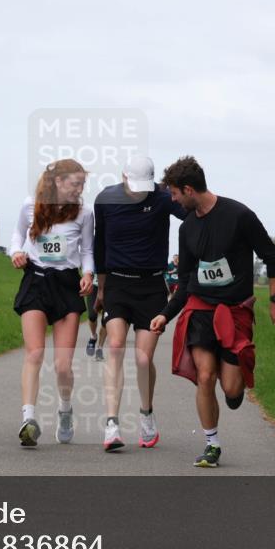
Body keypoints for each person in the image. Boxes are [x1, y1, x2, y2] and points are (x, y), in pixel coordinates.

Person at [150, 156, 275, 468]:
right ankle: (212, 444)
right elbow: (185, 281)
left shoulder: (239, 216)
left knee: (231, 388)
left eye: (174, 194)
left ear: (188, 189)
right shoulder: (187, 229)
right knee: (204, 376)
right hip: (200, 309)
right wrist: (165, 314)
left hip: (234, 311)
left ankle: (235, 389)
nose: (172, 200)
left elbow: (272, 257)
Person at [93, 155, 186, 451]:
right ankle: (111, 423)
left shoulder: (162, 197)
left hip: (151, 285)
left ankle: (146, 412)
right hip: (117, 283)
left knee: (143, 358)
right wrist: (101, 288)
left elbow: (194, 212)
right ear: (123, 177)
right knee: (116, 346)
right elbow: (100, 244)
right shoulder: (105, 199)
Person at [9, 159, 94, 446]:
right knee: (34, 354)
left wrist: (89, 273)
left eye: (82, 184)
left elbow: (87, 250)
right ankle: (28, 419)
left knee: (62, 366)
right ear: (57, 182)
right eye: (75, 183)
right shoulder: (29, 204)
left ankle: (65, 409)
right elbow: (17, 235)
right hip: (35, 280)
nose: (80, 189)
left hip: (67, 284)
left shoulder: (84, 212)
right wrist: (16, 252)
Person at [84, 276, 108, 361]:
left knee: (106, 320)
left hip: (109, 288)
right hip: (94, 285)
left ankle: (99, 348)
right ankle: (93, 336)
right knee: (92, 316)